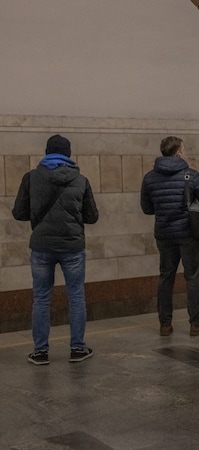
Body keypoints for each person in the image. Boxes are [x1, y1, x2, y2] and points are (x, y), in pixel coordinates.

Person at [12, 134, 100, 365]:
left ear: (46, 152)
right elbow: (92, 216)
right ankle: (78, 349)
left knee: (41, 299)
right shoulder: (81, 180)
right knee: (76, 297)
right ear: (68, 154)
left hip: (41, 246)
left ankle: (40, 352)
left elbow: (19, 213)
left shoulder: (31, 178)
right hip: (72, 246)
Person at [140, 136, 199, 337]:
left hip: (164, 234)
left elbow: (146, 208)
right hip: (189, 234)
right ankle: (195, 324)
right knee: (192, 277)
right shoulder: (190, 175)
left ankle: (165, 324)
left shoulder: (149, 178)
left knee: (166, 277)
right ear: (178, 152)